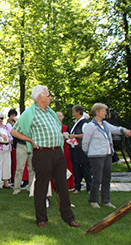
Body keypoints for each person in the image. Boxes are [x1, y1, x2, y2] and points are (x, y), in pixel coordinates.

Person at [10, 85, 80, 228]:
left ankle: (69, 217)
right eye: (48, 95)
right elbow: (14, 131)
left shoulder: (50, 112)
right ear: (39, 97)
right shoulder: (29, 113)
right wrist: (30, 140)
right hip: (42, 154)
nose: (50, 97)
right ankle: (41, 219)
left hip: (57, 153)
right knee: (41, 186)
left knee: (63, 186)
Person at [82, 103, 131, 209]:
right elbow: (85, 142)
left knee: (107, 178)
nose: (105, 113)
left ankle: (106, 201)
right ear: (97, 112)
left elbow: (116, 129)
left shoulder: (105, 124)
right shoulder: (91, 126)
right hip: (96, 156)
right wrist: (89, 153)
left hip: (107, 155)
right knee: (97, 179)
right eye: (104, 111)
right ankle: (93, 200)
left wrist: (124, 130)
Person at [68, 105, 92, 194]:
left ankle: (89, 187)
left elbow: (86, 134)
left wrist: (75, 136)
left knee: (85, 168)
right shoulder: (75, 122)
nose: (73, 113)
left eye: (74, 111)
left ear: (78, 112)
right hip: (74, 148)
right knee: (76, 168)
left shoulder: (85, 123)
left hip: (82, 149)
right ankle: (77, 187)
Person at [0, 112, 12, 189]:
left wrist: (9, 140)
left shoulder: (6, 127)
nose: (0, 120)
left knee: (7, 165)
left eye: (2, 118)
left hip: (7, 148)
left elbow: (10, 136)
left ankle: (6, 183)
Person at [55, 111, 75, 190]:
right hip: (56, 148)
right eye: (57, 116)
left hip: (65, 148)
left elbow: (72, 138)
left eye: (60, 116)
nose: (59, 118)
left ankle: (69, 185)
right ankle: (55, 185)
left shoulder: (66, 127)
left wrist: (68, 138)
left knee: (67, 165)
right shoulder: (52, 127)